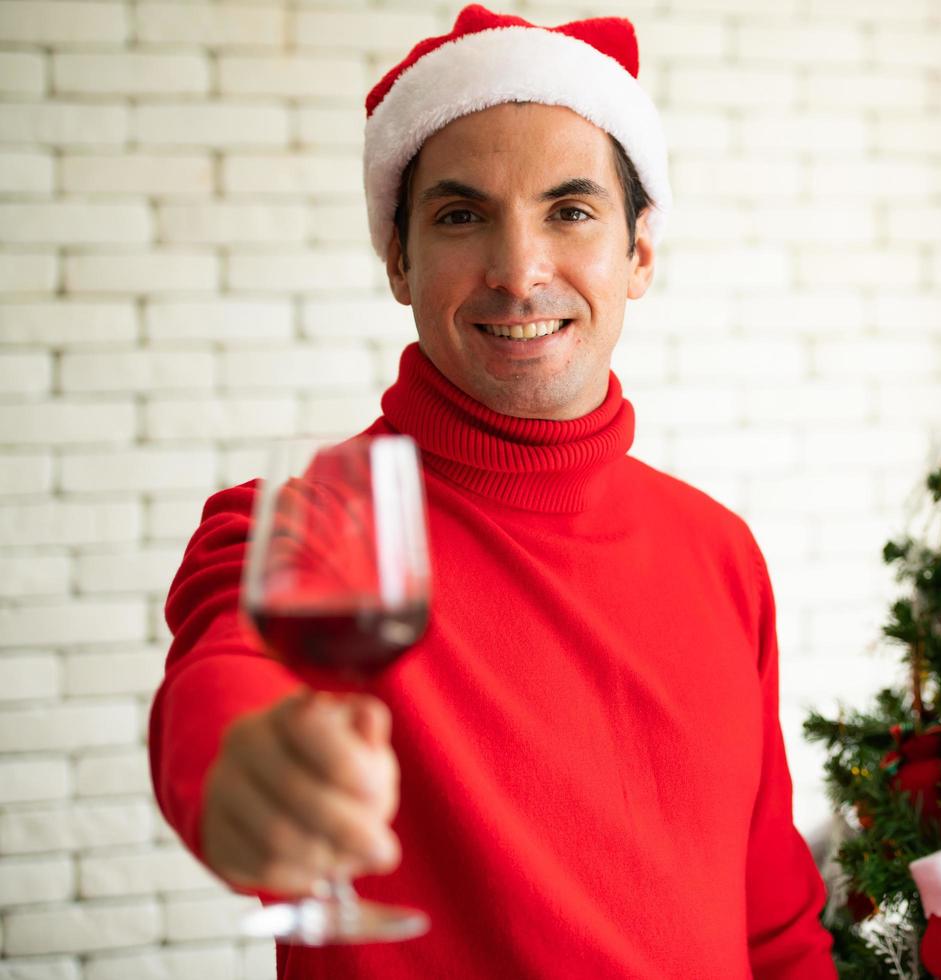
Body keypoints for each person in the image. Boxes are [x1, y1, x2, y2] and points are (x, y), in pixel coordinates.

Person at [148, 6, 838, 978]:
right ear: (399, 260)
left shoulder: (720, 549)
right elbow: (223, 678)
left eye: (570, 209)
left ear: (641, 249)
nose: (519, 273)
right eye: (462, 215)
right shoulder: (308, 519)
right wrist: (241, 764)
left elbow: (775, 930)